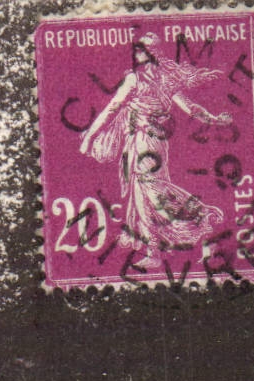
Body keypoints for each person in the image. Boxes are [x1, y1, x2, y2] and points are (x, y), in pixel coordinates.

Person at [79, 34, 232, 268]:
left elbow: (111, 109)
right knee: (148, 190)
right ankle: (149, 239)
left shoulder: (134, 79)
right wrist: (214, 119)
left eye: (140, 49)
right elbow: (190, 108)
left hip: (143, 141)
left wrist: (90, 136)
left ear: (150, 52)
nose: (136, 53)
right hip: (157, 143)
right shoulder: (166, 79)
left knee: (148, 192)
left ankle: (167, 244)